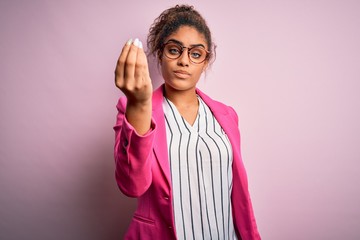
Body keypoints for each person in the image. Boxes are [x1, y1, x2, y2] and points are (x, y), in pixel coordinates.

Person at [113, 4, 261, 240]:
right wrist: (139, 105)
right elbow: (132, 186)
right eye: (174, 50)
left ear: (205, 61)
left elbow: (238, 196)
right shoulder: (134, 109)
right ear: (160, 53)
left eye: (195, 53)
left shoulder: (227, 115)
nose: (184, 61)